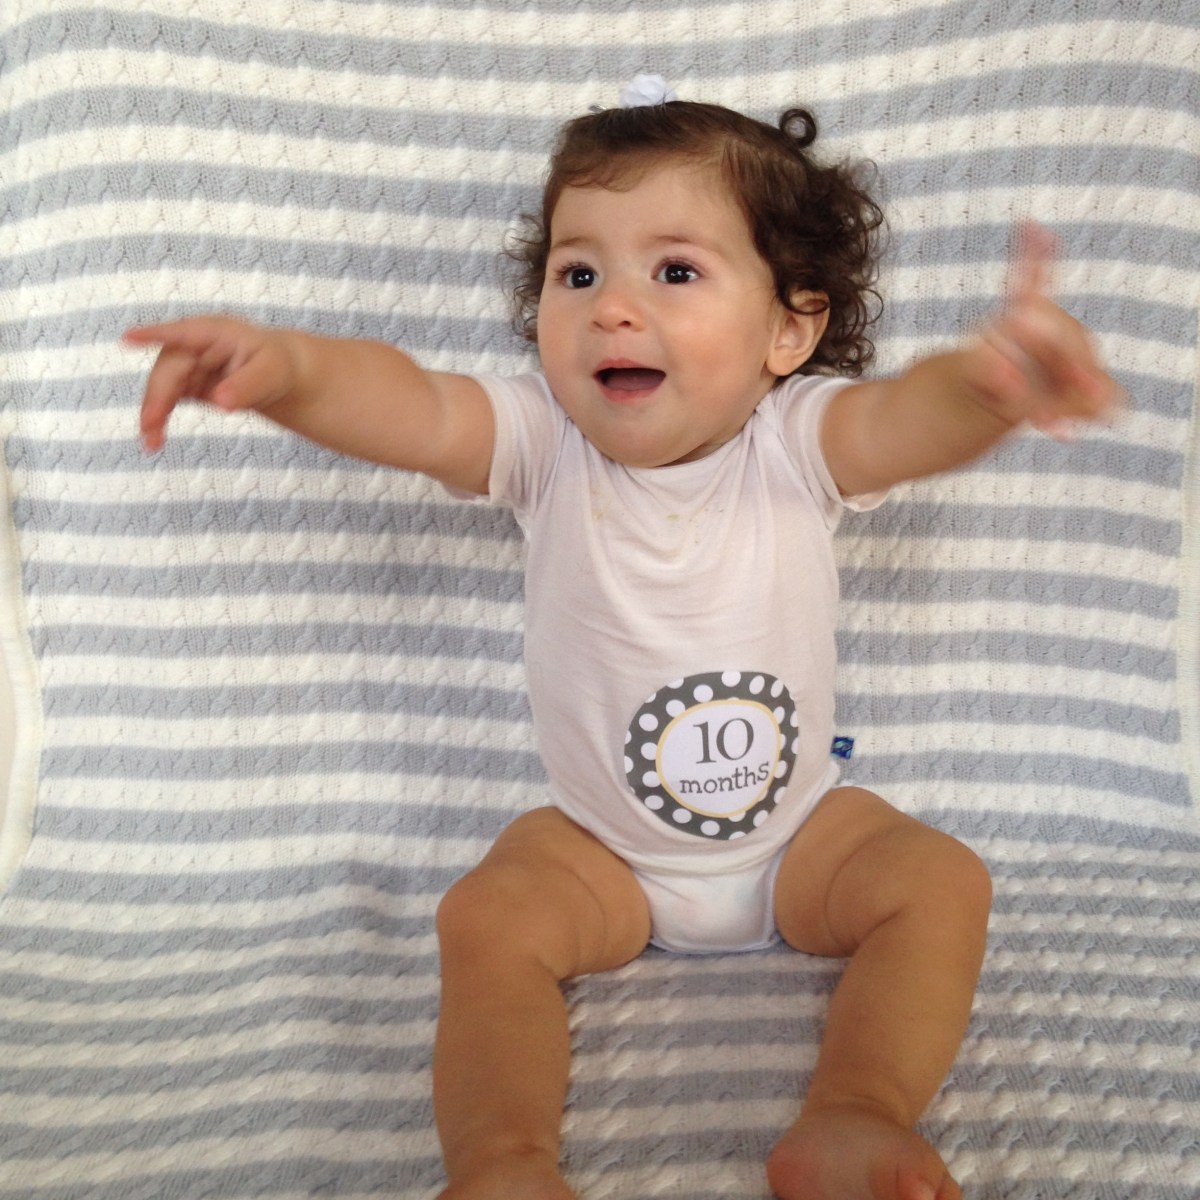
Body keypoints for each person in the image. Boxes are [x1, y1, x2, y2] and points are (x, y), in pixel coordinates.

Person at [126, 77, 1119, 1200]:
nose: (612, 308)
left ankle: (856, 1111)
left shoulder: (798, 441)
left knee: (940, 882)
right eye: (579, 272)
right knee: (486, 917)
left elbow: (907, 420)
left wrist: (990, 386)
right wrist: (292, 373)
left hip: (798, 839)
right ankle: (503, 1164)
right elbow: (409, 403)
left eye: (676, 272)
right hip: (603, 854)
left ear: (790, 328)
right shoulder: (543, 442)